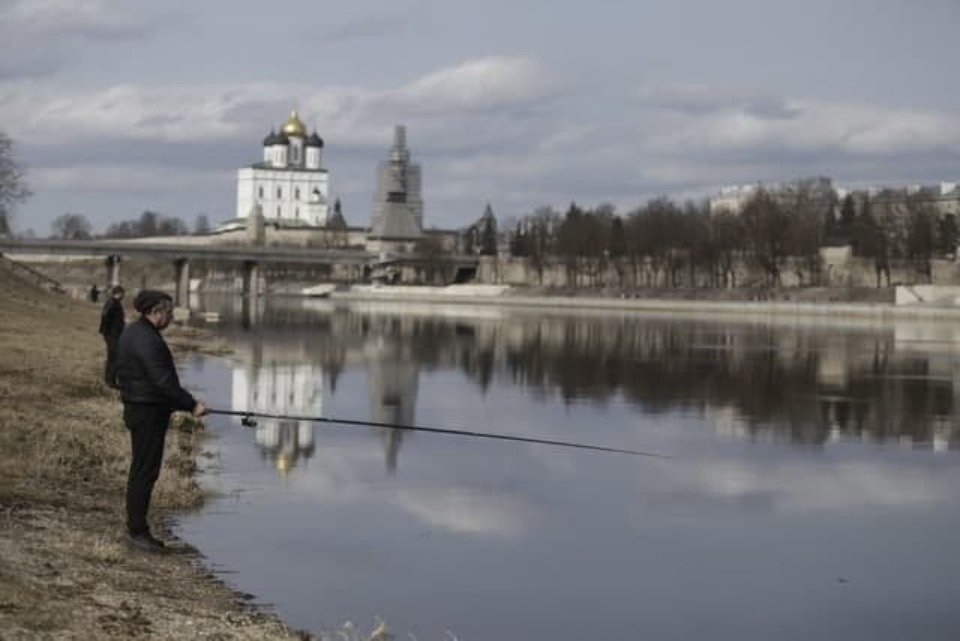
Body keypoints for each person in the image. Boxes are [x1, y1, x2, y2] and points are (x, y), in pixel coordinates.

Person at [117, 290, 206, 552]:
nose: (170, 317)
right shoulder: (147, 339)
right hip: (147, 412)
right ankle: (137, 532)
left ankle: (138, 529)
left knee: (141, 469)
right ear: (156, 312)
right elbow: (163, 382)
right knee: (145, 472)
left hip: (140, 408)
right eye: (168, 312)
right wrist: (192, 404)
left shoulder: (133, 332)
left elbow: (118, 368)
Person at [98, 285, 126, 388]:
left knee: (113, 357)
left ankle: (110, 380)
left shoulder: (112, 302)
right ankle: (111, 381)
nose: (124, 296)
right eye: (123, 294)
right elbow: (105, 316)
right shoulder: (113, 303)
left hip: (113, 333)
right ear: (119, 293)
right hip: (112, 334)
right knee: (114, 357)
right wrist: (106, 330)